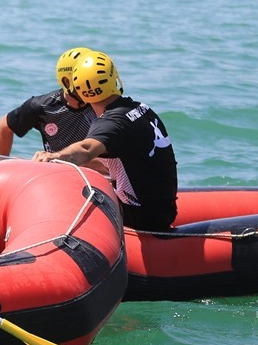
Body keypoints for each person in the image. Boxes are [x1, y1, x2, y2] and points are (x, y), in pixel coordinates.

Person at [34, 51, 178, 230]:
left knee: (66, 193)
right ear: (115, 78)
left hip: (141, 217)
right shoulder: (141, 109)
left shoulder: (110, 123)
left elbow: (86, 149)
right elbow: (116, 160)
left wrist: (53, 156)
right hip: (164, 209)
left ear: (80, 93)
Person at [0, 46, 97, 157]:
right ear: (67, 81)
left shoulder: (107, 106)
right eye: (84, 79)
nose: (91, 85)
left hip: (101, 170)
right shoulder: (42, 107)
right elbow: (5, 126)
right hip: (59, 169)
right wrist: (1, 162)